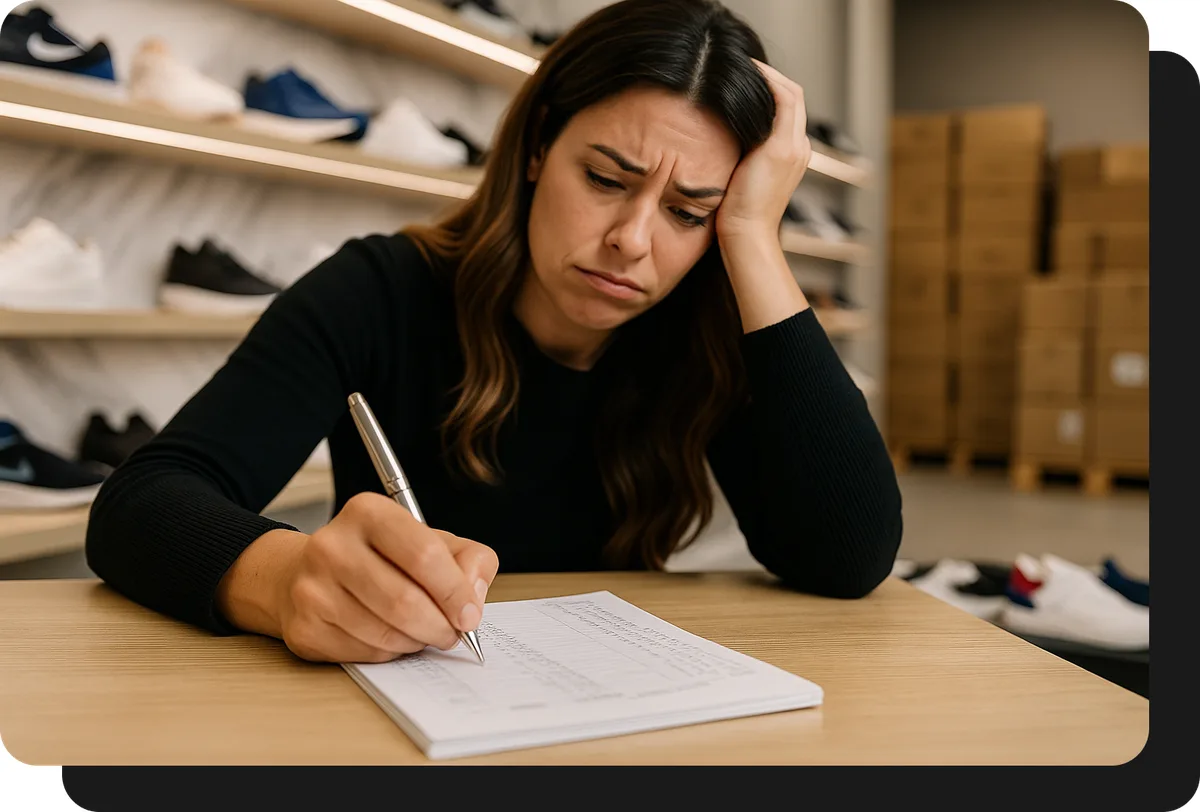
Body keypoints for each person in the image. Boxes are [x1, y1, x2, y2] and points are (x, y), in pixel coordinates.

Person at [86, 0, 903, 664]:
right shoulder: (381, 290)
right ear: (541, 143)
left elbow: (847, 557)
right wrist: (287, 577)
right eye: (606, 178)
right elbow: (139, 504)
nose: (633, 240)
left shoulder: (700, 330)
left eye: (692, 211)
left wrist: (755, 239)